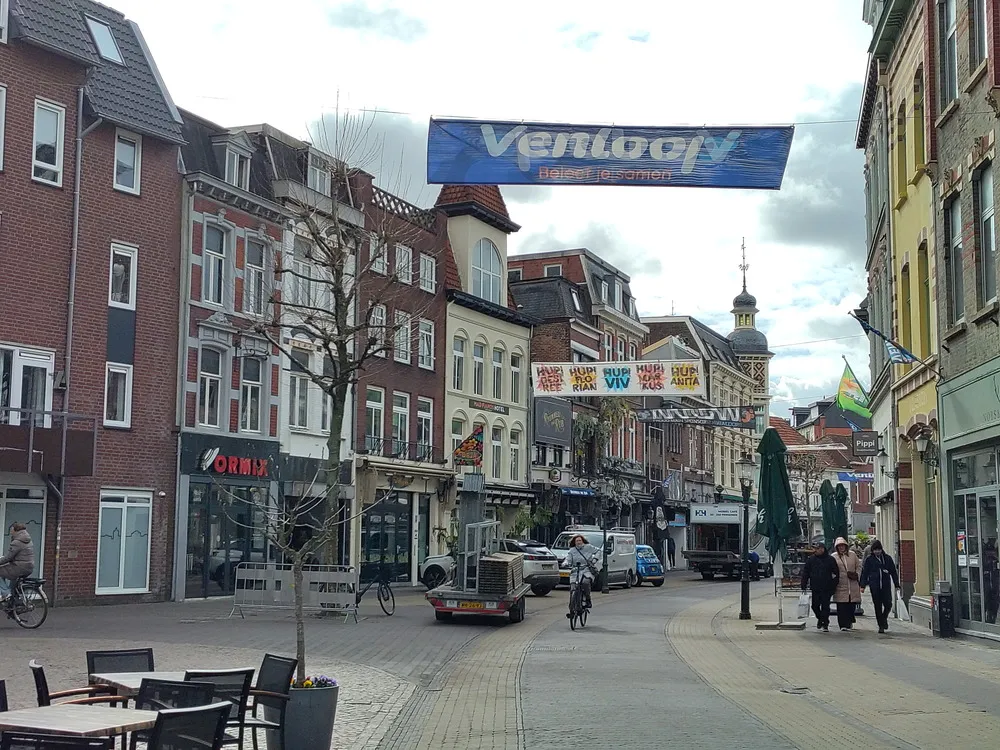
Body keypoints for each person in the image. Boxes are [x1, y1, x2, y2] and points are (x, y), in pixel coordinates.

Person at [860, 539, 900, 634]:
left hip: (885, 586)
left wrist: (897, 584)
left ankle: (884, 618)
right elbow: (864, 573)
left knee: (888, 604)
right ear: (872, 550)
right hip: (875, 586)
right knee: (877, 606)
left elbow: (893, 572)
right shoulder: (869, 560)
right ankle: (881, 625)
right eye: (875, 550)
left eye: (879, 549)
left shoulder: (887, 559)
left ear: (881, 549)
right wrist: (863, 585)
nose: (877, 551)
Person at [801, 541, 839, 631]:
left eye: (818, 548)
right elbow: (806, 573)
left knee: (825, 606)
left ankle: (825, 623)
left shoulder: (830, 559)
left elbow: (836, 573)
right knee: (815, 606)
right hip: (815, 587)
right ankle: (821, 619)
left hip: (827, 587)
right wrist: (804, 584)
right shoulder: (811, 560)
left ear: (823, 549)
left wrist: (834, 585)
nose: (816, 550)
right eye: (815, 549)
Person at [563, 534, 599, 616]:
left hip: (586, 570)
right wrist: (565, 563)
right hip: (575, 571)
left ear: (583, 541)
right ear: (574, 542)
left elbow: (599, 551)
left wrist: (594, 559)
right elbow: (568, 558)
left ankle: (587, 599)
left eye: (580, 540)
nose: (578, 542)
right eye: (576, 541)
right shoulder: (572, 550)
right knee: (572, 589)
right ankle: (572, 609)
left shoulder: (588, 547)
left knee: (585, 583)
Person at [832, 536, 862, 631]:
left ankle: (849, 622)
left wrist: (857, 574)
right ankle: (842, 625)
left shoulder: (852, 555)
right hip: (840, 584)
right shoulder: (833, 556)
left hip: (852, 584)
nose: (841, 547)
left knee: (851, 605)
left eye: (843, 546)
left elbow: (859, 566)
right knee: (841, 606)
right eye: (839, 546)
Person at [0, 523, 34, 599]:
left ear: (16, 531)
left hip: (19, 567)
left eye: (11, 530)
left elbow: (8, 558)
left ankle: (6, 593)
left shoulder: (17, 542)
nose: (10, 532)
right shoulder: (28, 540)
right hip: (29, 567)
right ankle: (12, 602)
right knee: (13, 578)